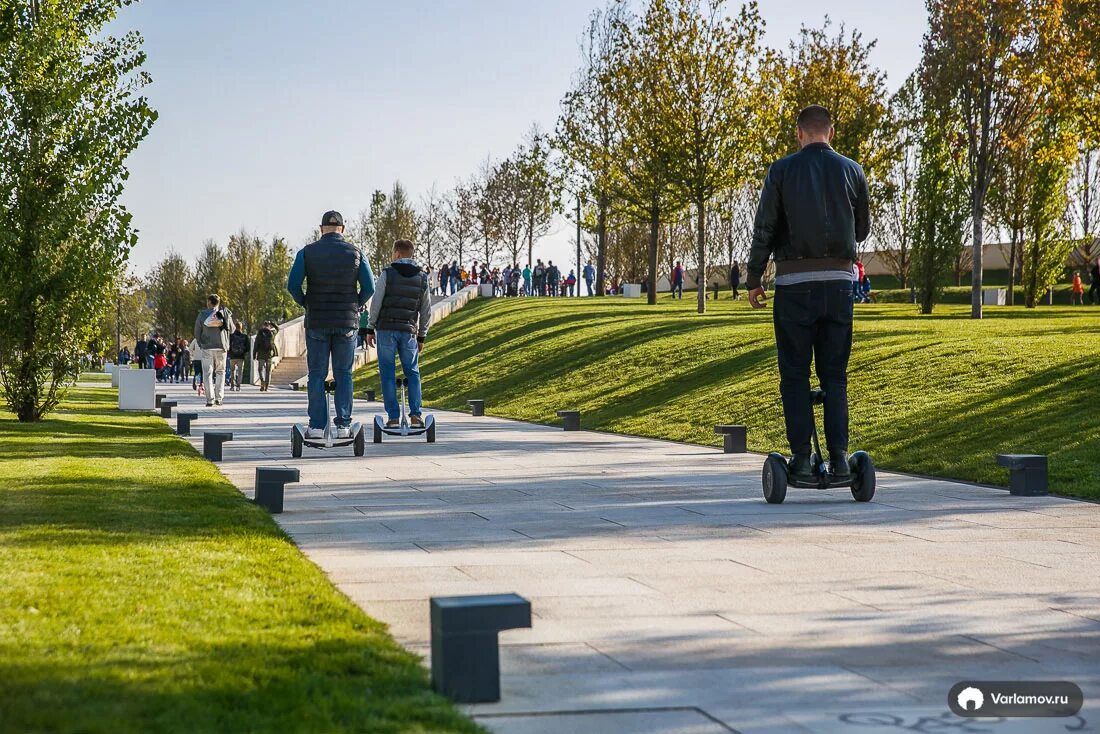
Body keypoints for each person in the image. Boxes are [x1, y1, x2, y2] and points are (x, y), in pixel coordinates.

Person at [747, 104, 870, 483]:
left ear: (799, 134)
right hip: (838, 285)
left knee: (795, 375)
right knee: (835, 376)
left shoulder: (781, 171)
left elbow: (765, 227)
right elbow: (862, 230)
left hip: (794, 287)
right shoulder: (853, 171)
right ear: (830, 133)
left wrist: (754, 278)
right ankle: (840, 458)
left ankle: (800, 460)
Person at [288, 210, 375, 438]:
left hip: (317, 319)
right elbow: (370, 287)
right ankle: (344, 425)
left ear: (321, 228)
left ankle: (317, 426)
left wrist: (306, 302)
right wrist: (355, 305)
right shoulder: (356, 253)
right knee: (343, 372)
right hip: (346, 321)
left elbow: (293, 285)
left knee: (316, 373)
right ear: (343, 229)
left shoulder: (306, 253)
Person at [363, 239, 431, 429]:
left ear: (398, 254)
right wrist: (422, 336)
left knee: (387, 372)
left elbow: (376, 302)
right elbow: (426, 310)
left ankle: (393, 417)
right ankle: (416, 415)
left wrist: (370, 328)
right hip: (408, 331)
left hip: (386, 330)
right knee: (413, 371)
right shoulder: (422, 277)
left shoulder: (388, 273)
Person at [194, 294, 235, 407]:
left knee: (207, 373)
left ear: (209, 302)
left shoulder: (202, 315)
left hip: (207, 347)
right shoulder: (224, 313)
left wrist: (201, 343)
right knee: (220, 372)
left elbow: (197, 332)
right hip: (221, 347)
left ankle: (210, 399)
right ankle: (219, 398)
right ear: (218, 303)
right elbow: (232, 329)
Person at [253, 320, 279, 391]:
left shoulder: (260, 333)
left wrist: (254, 354)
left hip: (261, 354)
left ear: (263, 325)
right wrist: (272, 323)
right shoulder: (272, 333)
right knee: (268, 371)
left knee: (260, 369)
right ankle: (266, 387)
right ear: (269, 326)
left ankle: (262, 381)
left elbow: (256, 344)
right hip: (269, 354)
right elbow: (277, 328)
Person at [227, 324, 249, 391]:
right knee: (240, 372)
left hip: (232, 357)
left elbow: (228, 346)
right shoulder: (244, 336)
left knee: (232, 371)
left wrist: (229, 353)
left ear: (235, 327)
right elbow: (248, 348)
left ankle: (232, 386)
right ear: (241, 327)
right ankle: (238, 386)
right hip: (241, 357)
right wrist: (244, 352)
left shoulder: (231, 336)